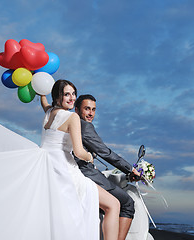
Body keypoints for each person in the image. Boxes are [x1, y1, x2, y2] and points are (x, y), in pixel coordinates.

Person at [40, 80, 120, 240]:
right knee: (113, 205)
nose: (71, 98)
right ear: (57, 97)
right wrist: (91, 157)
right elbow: (79, 152)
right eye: (66, 94)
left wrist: (40, 89)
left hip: (49, 170)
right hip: (67, 172)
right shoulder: (72, 117)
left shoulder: (49, 112)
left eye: (73, 94)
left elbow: (43, 102)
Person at [74, 94, 140, 240]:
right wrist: (130, 169)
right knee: (127, 203)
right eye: (87, 109)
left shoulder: (70, 124)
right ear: (77, 110)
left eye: (93, 109)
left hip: (80, 172)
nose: (91, 113)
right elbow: (105, 152)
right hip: (87, 175)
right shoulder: (84, 126)